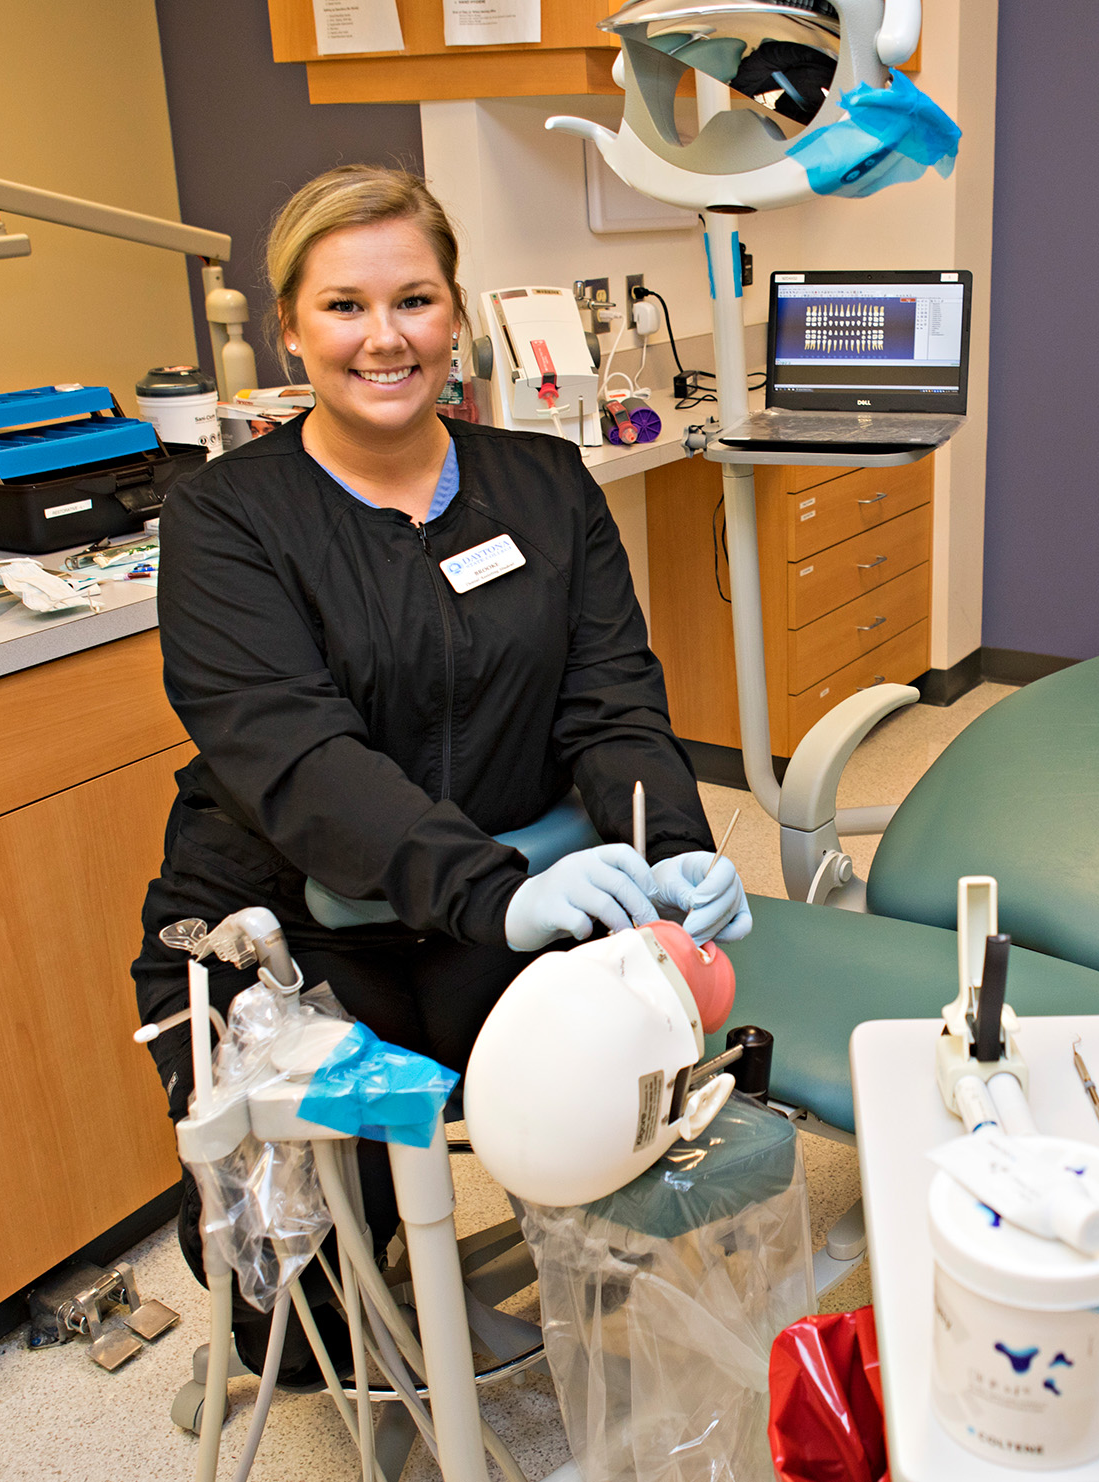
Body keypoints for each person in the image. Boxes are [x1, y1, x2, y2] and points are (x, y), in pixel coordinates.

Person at [130, 164, 749, 1368]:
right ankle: (360, 1310)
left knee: (611, 1100)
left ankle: (530, 1275)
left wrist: (672, 850)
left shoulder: (543, 484)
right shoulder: (226, 519)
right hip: (290, 923)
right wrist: (495, 891)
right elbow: (297, 756)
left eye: (412, 299)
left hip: (490, 905)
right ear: (290, 329)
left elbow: (611, 700)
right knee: (315, 1303)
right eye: (345, 307)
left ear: (453, 313)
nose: (384, 338)